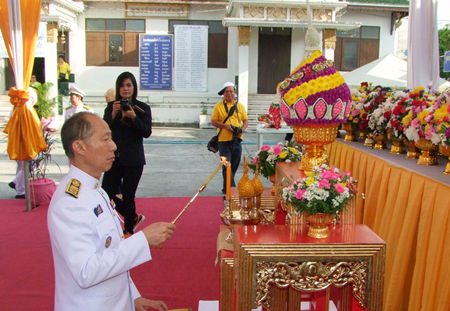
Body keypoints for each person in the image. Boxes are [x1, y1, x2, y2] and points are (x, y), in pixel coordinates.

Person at [47, 112, 175, 311]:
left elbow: (110, 249)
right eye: (105, 139)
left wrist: (133, 296)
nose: (114, 145)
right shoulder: (69, 201)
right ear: (79, 147)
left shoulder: (96, 190)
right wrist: (143, 240)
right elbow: (86, 271)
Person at [102, 72, 152, 238]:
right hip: (113, 158)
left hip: (134, 159)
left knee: (129, 194)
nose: (125, 89)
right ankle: (132, 216)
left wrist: (134, 117)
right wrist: (114, 114)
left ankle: (128, 230)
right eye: (122, 85)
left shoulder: (142, 108)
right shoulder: (111, 107)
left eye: (128, 85)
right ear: (118, 88)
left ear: (134, 87)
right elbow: (104, 130)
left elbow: (146, 132)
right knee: (106, 192)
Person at [211, 82, 248, 194]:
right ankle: (231, 189)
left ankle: (226, 188)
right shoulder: (219, 106)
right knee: (227, 166)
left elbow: (245, 120)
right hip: (224, 142)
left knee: (235, 165)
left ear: (235, 93)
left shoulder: (240, 106)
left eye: (231, 91)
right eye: (227, 91)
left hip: (237, 140)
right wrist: (225, 126)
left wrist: (242, 129)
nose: (229, 94)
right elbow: (213, 121)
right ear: (223, 93)